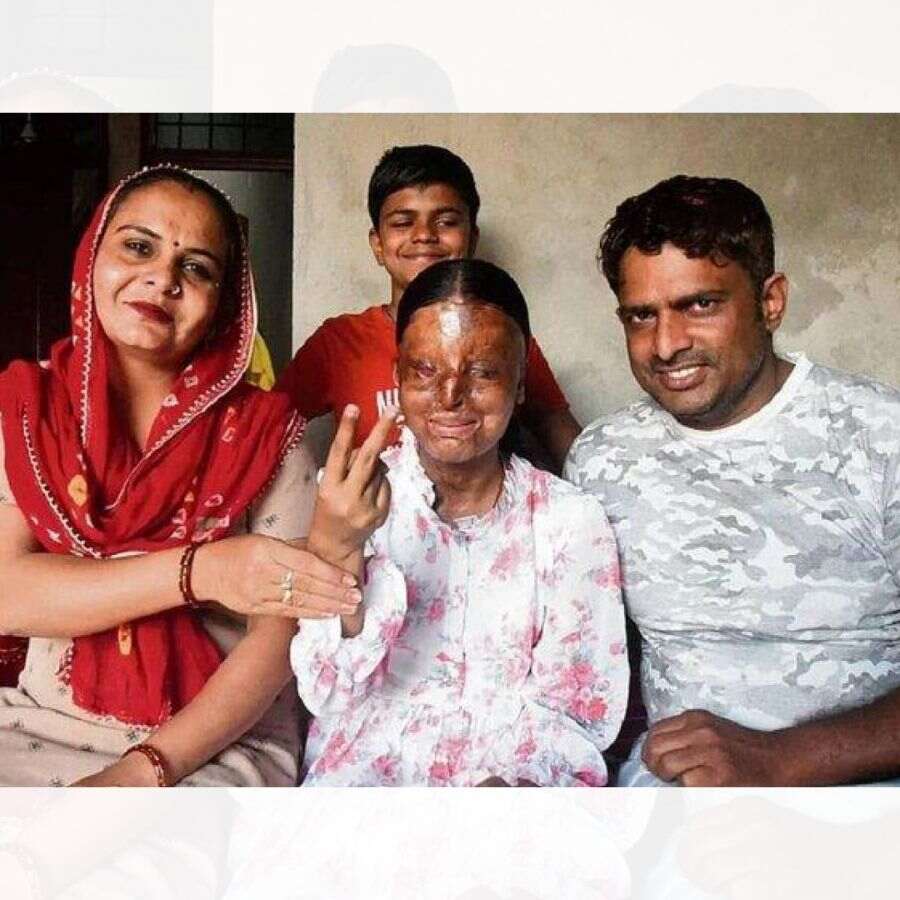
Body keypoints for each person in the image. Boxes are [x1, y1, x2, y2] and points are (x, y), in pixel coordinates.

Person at [0, 166, 359, 787]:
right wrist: (204, 570)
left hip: (219, 742)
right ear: (92, 260)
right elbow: (10, 592)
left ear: (224, 304)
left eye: (196, 268)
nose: (162, 278)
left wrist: (143, 773)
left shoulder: (268, 435)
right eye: (138, 246)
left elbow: (280, 639)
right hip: (42, 722)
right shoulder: (30, 415)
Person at [566, 174, 900, 786]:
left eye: (700, 305)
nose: (667, 345)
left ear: (771, 302)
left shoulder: (881, 438)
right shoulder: (604, 460)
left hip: (863, 800)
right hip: (678, 805)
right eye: (641, 316)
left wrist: (780, 760)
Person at [291, 258, 628, 786]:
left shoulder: (569, 521)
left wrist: (518, 787)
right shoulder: (352, 504)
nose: (450, 396)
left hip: (514, 782)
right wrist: (338, 549)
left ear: (519, 387)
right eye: (425, 371)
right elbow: (328, 692)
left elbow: (579, 711)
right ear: (398, 378)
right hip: (370, 784)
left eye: (483, 372)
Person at [276, 144, 581, 472]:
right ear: (378, 244)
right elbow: (266, 431)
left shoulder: (503, 337)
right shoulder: (338, 342)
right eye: (402, 223)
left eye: (446, 221)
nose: (424, 235)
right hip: (374, 521)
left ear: (472, 238)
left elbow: (567, 444)